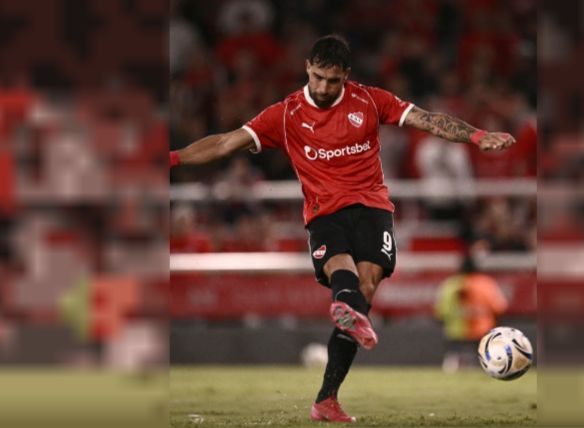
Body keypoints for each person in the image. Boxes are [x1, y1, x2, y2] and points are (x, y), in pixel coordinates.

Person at [170, 35, 516, 423]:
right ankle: (344, 313)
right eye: (317, 77)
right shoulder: (285, 114)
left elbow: (428, 120)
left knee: (365, 287)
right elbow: (224, 143)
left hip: (372, 207)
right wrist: (172, 158)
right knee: (341, 269)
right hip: (324, 212)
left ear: (346, 76)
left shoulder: (369, 100)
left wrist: (478, 136)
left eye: (332, 80)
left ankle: (328, 393)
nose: (322, 87)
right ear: (307, 68)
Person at [434, 253, 508, 373]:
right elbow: (500, 308)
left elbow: (440, 313)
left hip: (455, 335)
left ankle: (451, 365)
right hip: (482, 334)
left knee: (452, 359)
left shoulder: (450, 285)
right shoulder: (486, 283)